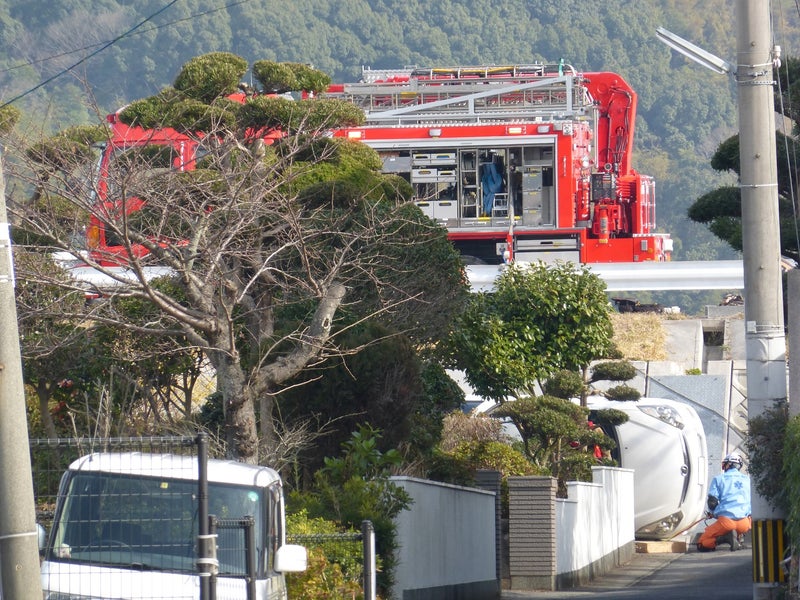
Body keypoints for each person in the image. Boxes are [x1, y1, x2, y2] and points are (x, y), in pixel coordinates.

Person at [696, 452, 751, 552]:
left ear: (728, 464)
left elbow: (712, 502)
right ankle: (738, 538)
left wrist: (713, 513)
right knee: (743, 522)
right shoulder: (748, 480)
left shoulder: (718, 479)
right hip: (745, 523)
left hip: (726, 522)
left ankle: (725, 538)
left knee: (702, 544)